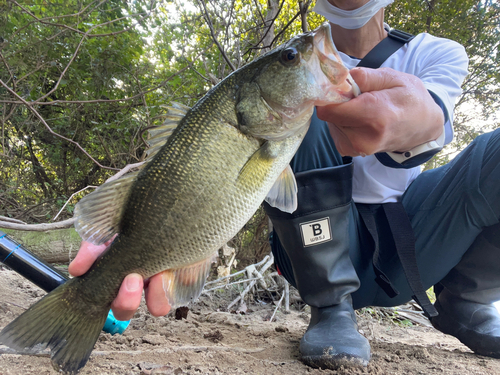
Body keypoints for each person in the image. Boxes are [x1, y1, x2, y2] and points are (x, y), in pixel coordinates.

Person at [70, 0, 500, 369]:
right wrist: (123, 236)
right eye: (291, 58)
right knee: (305, 114)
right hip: (311, 253)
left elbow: (434, 113)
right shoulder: (273, 89)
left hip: (410, 247)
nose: (300, 56)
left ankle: (467, 299)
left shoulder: (437, 53)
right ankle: (331, 307)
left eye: (292, 58)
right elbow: (190, 171)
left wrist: (423, 122)